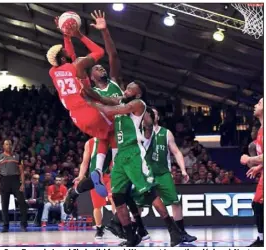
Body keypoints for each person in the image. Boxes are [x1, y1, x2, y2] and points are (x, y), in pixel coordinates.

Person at [85, 81, 182, 247]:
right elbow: (104, 98)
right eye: (126, 87)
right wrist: (85, 90)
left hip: (134, 152)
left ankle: (173, 230)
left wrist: (89, 103)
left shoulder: (138, 104)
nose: (126, 89)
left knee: (149, 193)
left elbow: (110, 109)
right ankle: (131, 237)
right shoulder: (121, 101)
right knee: (118, 197)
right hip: (121, 154)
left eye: (130, 89)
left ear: (137, 94)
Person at [61, 10, 124, 196]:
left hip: (119, 130)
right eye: (96, 67)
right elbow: (74, 61)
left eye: (101, 66)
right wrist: (68, 37)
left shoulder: (114, 81)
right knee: (106, 169)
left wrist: (105, 31)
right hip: (107, 128)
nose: (100, 67)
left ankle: (86, 182)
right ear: (90, 76)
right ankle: (81, 187)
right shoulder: (89, 91)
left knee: (114, 170)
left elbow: (113, 55)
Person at [136, 107, 197, 243]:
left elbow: (176, 152)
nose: (151, 116)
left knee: (175, 202)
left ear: (157, 117)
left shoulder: (166, 133)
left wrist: (183, 170)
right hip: (144, 174)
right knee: (138, 205)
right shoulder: (139, 132)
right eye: (148, 114)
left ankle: (181, 233)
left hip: (163, 173)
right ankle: (135, 233)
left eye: (154, 114)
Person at [240, 98, 263, 247]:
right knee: (257, 205)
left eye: (260, 103)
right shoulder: (261, 130)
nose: (255, 105)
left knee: (259, 205)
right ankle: (262, 239)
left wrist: (250, 159)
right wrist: (259, 167)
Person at [0, 140, 28, 232]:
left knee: (22, 203)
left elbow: (22, 171)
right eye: (6, 144)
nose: (8, 146)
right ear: (3, 146)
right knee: (4, 205)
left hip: (16, 181)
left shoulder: (17, 157)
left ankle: (23, 225)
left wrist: (22, 184)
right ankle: (5, 226)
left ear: (12, 146)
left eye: (10, 144)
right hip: (4, 181)